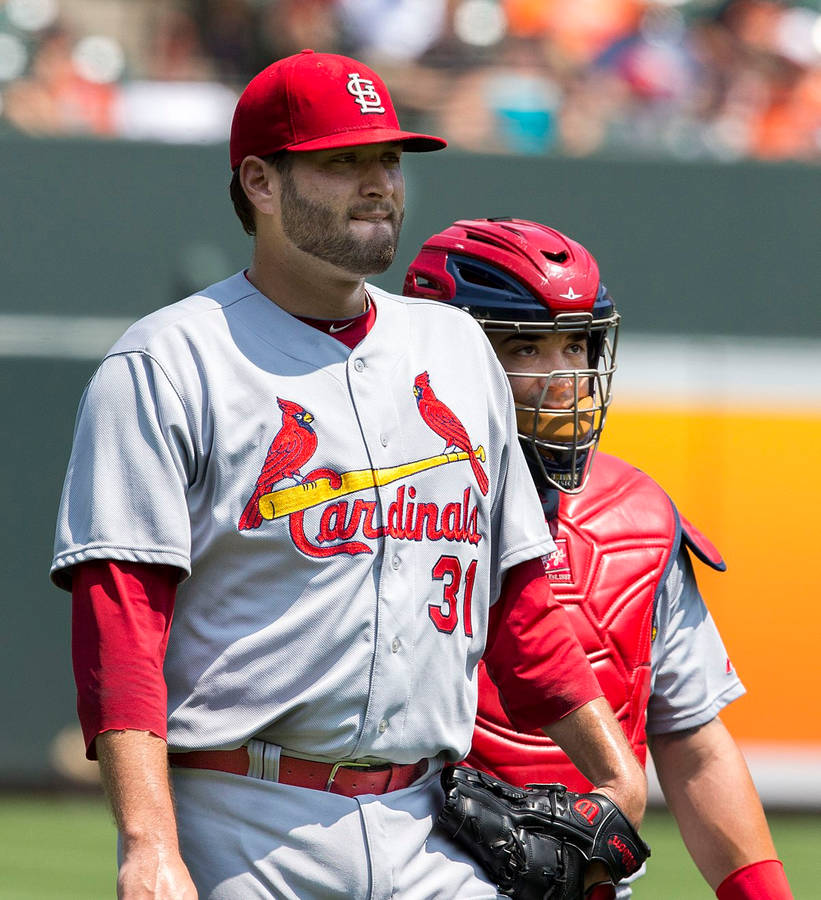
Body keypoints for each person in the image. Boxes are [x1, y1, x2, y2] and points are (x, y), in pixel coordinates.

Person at [52, 52, 647, 900]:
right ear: (259, 182)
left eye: (388, 161)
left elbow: (516, 596)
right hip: (240, 818)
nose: (378, 185)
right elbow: (121, 621)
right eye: (342, 162)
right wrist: (148, 845)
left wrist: (616, 773)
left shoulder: (453, 350)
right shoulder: (169, 361)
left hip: (428, 818)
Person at [403, 217, 794, 900]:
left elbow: (692, 740)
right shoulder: (371, 512)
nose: (564, 378)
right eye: (527, 346)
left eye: (575, 344)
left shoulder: (637, 516)